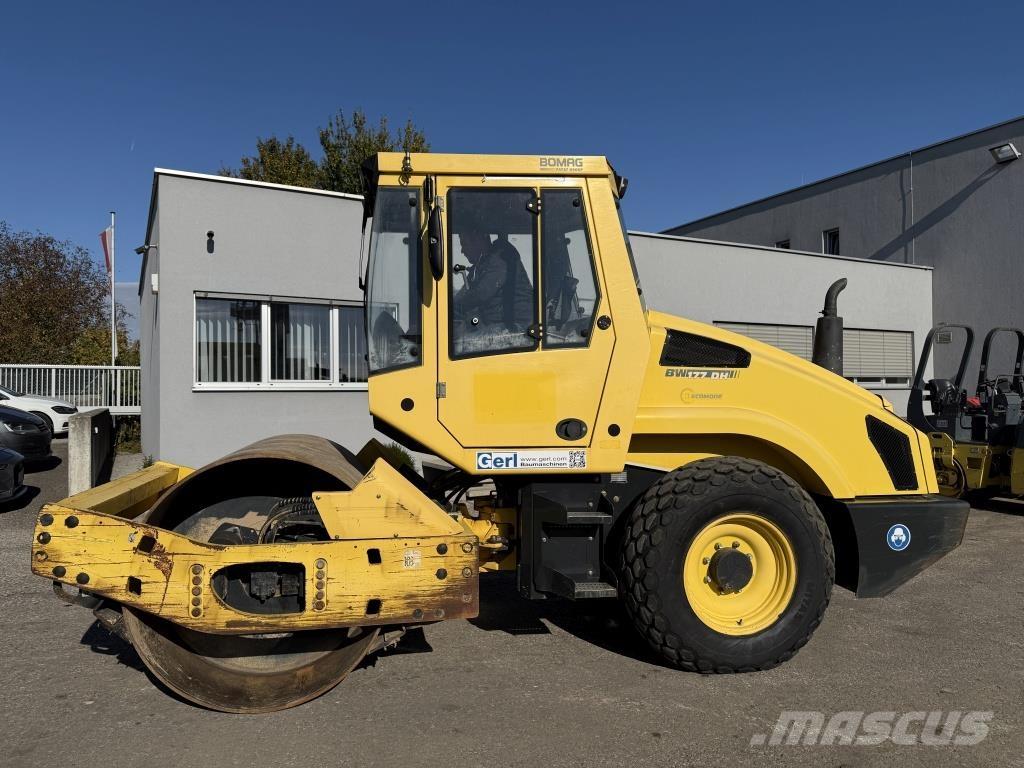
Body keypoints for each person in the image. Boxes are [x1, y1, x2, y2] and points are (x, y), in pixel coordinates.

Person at [453, 218, 533, 332]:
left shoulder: (501, 258)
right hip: (496, 323)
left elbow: (480, 294)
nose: (462, 250)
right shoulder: (483, 263)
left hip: (517, 326)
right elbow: (465, 293)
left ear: (478, 240)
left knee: (462, 341)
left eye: (464, 244)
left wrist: (454, 306)